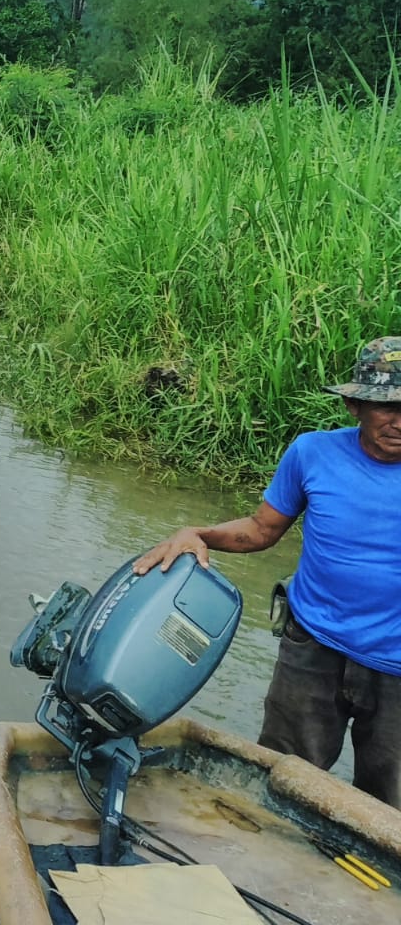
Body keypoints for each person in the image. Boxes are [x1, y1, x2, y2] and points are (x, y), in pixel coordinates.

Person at [134, 337, 401, 809]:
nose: (399, 422)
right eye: (386, 407)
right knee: (280, 780)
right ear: (354, 404)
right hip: (312, 648)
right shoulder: (312, 454)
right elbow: (260, 530)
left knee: (389, 809)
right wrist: (195, 532)